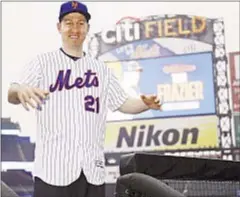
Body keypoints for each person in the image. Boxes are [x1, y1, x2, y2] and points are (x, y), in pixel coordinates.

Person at [7, 1, 161, 197]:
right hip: (53, 171)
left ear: (87, 28)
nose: (75, 28)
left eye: (80, 23)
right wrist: (19, 90)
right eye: (69, 22)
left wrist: (144, 104)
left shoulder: (101, 70)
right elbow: (12, 92)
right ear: (59, 27)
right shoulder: (42, 63)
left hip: (92, 171)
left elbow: (123, 103)